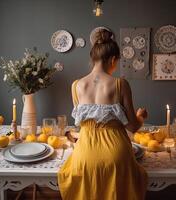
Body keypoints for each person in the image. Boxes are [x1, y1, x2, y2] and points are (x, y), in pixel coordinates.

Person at [58, 29, 148, 200]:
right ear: (113, 60)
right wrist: (141, 116)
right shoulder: (121, 84)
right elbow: (132, 126)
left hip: (85, 154)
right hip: (116, 155)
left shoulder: (76, 85)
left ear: (93, 59)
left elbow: (81, 124)